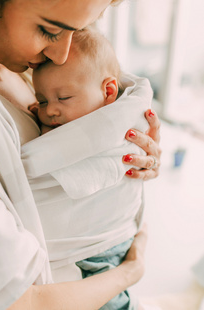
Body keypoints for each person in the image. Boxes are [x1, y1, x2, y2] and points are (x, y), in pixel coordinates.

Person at [0, 0, 161, 309]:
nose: (61, 54)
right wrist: (130, 272)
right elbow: (19, 300)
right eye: (48, 30)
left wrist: (128, 152)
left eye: (77, 29)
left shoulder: (27, 64)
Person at [24, 27, 158, 310]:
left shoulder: (114, 119)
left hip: (107, 245)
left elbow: (126, 152)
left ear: (109, 91)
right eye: (44, 101)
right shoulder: (63, 95)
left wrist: (142, 152)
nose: (50, 111)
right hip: (80, 253)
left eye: (63, 98)